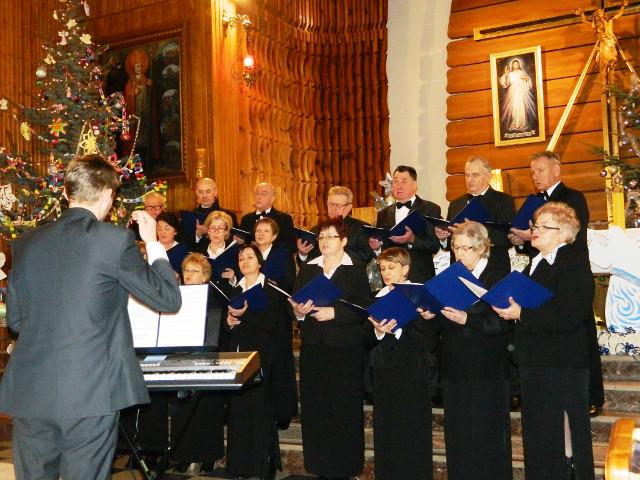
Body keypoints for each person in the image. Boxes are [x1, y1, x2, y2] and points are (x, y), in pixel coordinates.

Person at [0, 154, 182, 480]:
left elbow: (15, 321)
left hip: (31, 391)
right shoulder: (114, 240)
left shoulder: (25, 243)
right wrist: (153, 243)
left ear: (65, 193)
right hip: (90, 391)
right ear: (109, 195)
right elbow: (167, 299)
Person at [494, 202, 596, 480]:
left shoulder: (573, 263)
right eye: (535, 225)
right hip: (535, 361)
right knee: (539, 436)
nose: (535, 230)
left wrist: (522, 313)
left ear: (563, 232)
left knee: (563, 436)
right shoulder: (534, 264)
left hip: (562, 362)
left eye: (542, 226)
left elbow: (571, 315)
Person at [509, 150, 604, 415]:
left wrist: (531, 236)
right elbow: (535, 245)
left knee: (581, 334)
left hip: (569, 272)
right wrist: (521, 241)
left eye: (540, 170)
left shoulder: (572, 197)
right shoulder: (532, 202)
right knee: (545, 324)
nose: (535, 176)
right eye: (532, 172)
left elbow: (574, 237)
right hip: (544, 271)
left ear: (556, 169)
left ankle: (591, 396)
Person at [421, 221, 512, 480]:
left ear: (482, 248)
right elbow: (442, 322)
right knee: (459, 432)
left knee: (487, 432)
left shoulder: (496, 276)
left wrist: (467, 319)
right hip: (455, 365)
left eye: (466, 248)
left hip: (486, 368)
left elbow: (501, 323)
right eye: (456, 247)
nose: (459, 254)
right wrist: (431, 315)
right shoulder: (450, 276)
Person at [290, 217, 371, 479]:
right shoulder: (308, 268)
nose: (324, 241)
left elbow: (364, 308)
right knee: (316, 406)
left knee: (344, 407)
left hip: (345, 348)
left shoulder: (355, 269)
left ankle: (346, 467)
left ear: (343, 241)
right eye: (321, 237)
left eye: (330, 237)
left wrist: (335, 313)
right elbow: (294, 302)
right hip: (314, 346)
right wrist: (299, 312)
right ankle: (318, 464)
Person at [367, 247, 437, 480]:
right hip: (385, 372)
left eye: (391, 267)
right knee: (387, 430)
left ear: (405, 269)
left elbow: (430, 339)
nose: (386, 273)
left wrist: (400, 328)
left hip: (412, 371)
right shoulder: (376, 298)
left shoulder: (421, 296)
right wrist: (378, 332)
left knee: (412, 431)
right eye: (383, 268)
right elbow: (364, 338)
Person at [224, 244, 293, 480]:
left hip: (264, 358)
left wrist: (246, 315)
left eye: (249, 257)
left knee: (260, 412)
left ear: (260, 262)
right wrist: (229, 323)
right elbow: (227, 326)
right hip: (238, 357)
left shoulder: (271, 290)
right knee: (239, 413)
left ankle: (262, 466)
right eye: (241, 258)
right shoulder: (234, 290)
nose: (244, 261)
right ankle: (239, 466)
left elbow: (273, 325)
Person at [172, 253, 225, 475]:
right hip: (179, 356)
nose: (189, 275)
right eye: (186, 270)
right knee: (181, 408)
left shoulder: (212, 297)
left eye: (194, 271)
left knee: (206, 409)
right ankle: (183, 454)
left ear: (205, 276)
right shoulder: (176, 295)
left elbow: (216, 330)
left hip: (205, 356)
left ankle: (208, 455)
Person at [252, 217, 298, 426]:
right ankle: (260, 412)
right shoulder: (249, 253)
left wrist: (271, 281)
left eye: (265, 231)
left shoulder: (282, 255)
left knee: (280, 364)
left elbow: (290, 282)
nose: (261, 234)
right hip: (256, 315)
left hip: (278, 315)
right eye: (258, 231)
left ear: (275, 236)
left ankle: (282, 413)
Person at [436, 156, 515, 275]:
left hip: (493, 270)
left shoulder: (503, 200)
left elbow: (506, 239)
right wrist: (443, 238)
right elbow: (449, 245)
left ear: (488, 176)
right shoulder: (456, 204)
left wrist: (476, 229)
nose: (470, 179)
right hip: (460, 269)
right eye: (467, 175)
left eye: (475, 175)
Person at [370, 165, 441, 282]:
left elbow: (434, 246)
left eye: (404, 181)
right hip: (391, 278)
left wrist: (412, 239)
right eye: (395, 182)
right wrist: (376, 247)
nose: (399, 186)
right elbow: (383, 247)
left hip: (419, 275)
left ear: (415, 185)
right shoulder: (383, 213)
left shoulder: (430, 209)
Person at [297, 185, 373, 264]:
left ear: (348, 207)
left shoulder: (361, 228)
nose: (333, 209)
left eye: (338, 205)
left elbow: (366, 257)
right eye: (331, 204)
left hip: (348, 271)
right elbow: (306, 264)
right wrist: (303, 254)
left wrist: (337, 250)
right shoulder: (315, 230)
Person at [240, 182, 296, 253]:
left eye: (264, 194)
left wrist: (265, 247)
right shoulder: (246, 219)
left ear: (272, 199)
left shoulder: (284, 219)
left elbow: (290, 246)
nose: (259, 197)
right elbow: (243, 243)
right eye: (257, 193)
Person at [189, 177, 238, 250]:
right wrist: (198, 234)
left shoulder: (229, 215)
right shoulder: (190, 216)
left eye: (208, 191)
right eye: (200, 192)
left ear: (215, 192)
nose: (204, 196)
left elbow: (233, 241)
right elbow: (185, 244)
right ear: (196, 192)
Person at [196, 210, 238, 283]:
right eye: (212, 228)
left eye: (220, 228)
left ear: (226, 231)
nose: (216, 231)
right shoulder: (199, 252)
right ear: (208, 231)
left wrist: (232, 278)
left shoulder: (235, 252)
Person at [498, 58, 537, 133]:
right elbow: (505, 83)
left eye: (516, 64)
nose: (515, 65)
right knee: (514, 107)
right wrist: (506, 74)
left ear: (519, 65)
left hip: (521, 91)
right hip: (513, 91)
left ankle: (522, 124)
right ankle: (515, 123)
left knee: (521, 106)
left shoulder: (522, 72)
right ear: (512, 65)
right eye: (514, 64)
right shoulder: (510, 74)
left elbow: (528, 80)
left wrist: (526, 79)